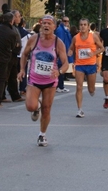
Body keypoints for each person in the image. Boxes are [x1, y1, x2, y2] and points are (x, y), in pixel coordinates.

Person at [17, 15, 69, 146]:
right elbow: (24, 54)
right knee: (30, 106)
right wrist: (22, 70)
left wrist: (59, 71)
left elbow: (65, 63)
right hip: (34, 79)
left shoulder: (58, 43)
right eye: (44, 23)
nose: (46, 26)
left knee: (47, 109)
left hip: (50, 82)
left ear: (54, 27)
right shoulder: (34, 39)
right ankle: (36, 106)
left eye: (49, 24)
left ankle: (42, 135)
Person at [68, 18, 104, 118]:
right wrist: (70, 52)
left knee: (91, 89)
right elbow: (71, 48)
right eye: (81, 25)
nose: (83, 26)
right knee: (79, 87)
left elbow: (102, 48)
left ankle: (92, 90)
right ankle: (79, 110)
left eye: (85, 25)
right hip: (79, 65)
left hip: (91, 65)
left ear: (88, 27)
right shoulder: (75, 37)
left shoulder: (93, 37)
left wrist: (93, 53)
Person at [2, 10, 25, 102]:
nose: (20, 18)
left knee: (12, 75)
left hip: (15, 54)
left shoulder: (15, 27)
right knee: (6, 75)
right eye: (18, 16)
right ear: (14, 17)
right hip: (10, 54)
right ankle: (2, 95)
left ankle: (15, 95)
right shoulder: (9, 28)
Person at [18, 23, 41, 95]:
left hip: (19, 54)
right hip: (24, 55)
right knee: (25, 72)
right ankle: (23, 88)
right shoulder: (31, 36)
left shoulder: (30, 35)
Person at [55, 16, 73, 92]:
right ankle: (59, 86)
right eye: (64, 21)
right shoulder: (60, 30)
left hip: (65, 51)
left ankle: (60, 86)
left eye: (67, 21)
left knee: (62, 68)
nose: (66, 22)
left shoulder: (65, 30)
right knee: (61, 68)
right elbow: (60, 42)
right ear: (61, 21)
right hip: (62, 52)